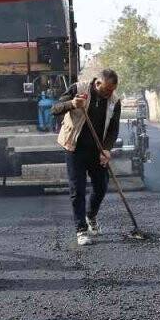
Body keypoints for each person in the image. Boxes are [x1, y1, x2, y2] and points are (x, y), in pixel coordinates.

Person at [52, 70, 122, 246]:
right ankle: (81, 230)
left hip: (97, 150)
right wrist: (72, 103)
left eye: (112, 90)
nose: (109, 94)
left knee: (101, 186)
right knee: (78, 190)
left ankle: (90, 215)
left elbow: (113, 129)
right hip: (74, 148)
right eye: (107, 90)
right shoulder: (78, 89)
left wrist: (107, 149)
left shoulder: (115, 101)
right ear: (97, 83)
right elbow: (55, 108)